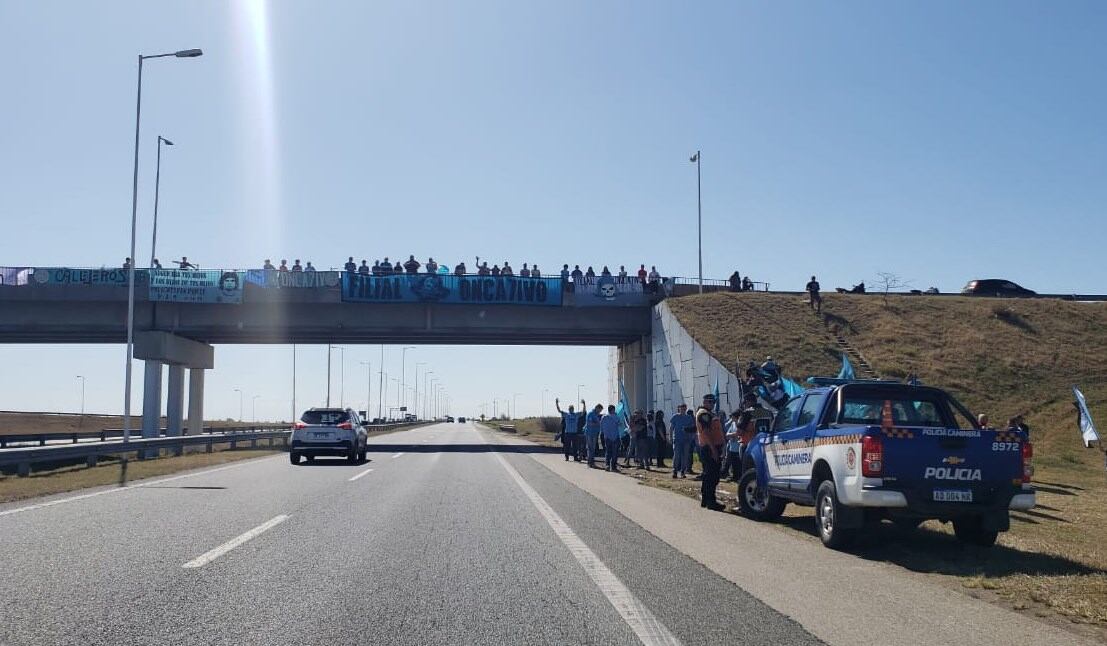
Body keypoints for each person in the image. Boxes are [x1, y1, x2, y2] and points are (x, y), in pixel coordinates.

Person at [695, 393, 726, 511]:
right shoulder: (704, 414)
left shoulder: (710, 413)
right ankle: (710, 501)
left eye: (713, 402)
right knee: (711, 476)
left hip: (713, 447)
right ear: (704, 402)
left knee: (710, 475)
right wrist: (713, 450)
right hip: (709, 448)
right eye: (710, 402)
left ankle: (706, 499)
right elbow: (706, 433)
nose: (712, 404)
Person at [555, 398, 584, 462]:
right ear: (568, 409)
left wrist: (584, 404)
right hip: (567, 433)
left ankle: (575, 458)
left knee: (575, 446)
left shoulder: (576, 415)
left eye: (572, 409)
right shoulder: (566, 415)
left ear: (573, 409)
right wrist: (557, 403)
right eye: (570, 409)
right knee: (567, 446)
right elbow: (559, 410)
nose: (571, 409)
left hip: (574, 433)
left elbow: (583, 412)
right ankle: (567, 457)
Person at [670, 404, 694, 478]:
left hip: (686, 440)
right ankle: (675, 471)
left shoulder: (689, 418)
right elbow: (671, 428)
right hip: (677, 439)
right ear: (679, 408)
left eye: (684, 408)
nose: (683, 410)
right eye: (682, 408)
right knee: (677, 455)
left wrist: (691, 438)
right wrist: (670, 437)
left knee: (685, 456)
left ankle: (683, 471)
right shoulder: (675, 417)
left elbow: (692, 428)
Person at [724, 411, 743, 482]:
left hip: (738, 448)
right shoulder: (733, 424)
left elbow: (740, 434)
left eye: (733, 417)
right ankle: (735, 476)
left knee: (739, 464)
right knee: (734, 464)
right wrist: (733, 434)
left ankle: (739, 477)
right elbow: (727, 434)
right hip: (732, 447)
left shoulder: (740, 424)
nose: (731, 418)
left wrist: (733, 435)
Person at [601, 405, 622, 472]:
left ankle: (607, 465)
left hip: (607, 437)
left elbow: (601, 426)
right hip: (615, 436)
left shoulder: (603, 417)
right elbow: (620, 424)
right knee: (615, 453)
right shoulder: (616, 417)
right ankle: (613, 467)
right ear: (613, 410)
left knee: (608, 452)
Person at [584, 404, 603, 468]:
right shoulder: (591, 414)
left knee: (593, 448)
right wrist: (597, 423)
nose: (600, 412)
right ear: (597, 408)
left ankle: (592, 462)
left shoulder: (596, 415)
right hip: (590, 433)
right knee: (590, 448)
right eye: (600, 410)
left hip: (595, 433)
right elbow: (589, 423)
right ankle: (590, 462)